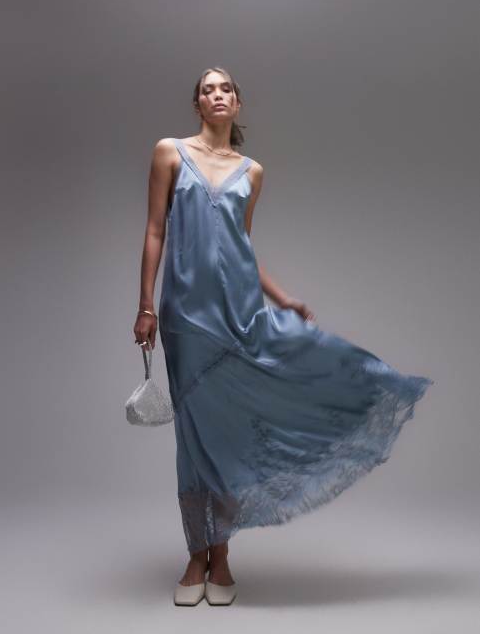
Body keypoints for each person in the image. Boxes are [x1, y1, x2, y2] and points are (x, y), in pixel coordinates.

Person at [133, 66, 434, 606]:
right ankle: (197, 554)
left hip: (240, 315)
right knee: (194, 436)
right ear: (197, 104)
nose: (217, 95)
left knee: (229, 433)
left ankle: (221, 553)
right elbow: (156, 230)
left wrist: (283, 298)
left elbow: (242, 246)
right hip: (186, 319)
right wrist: (146, 305)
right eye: (207, 89)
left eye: (226, 88)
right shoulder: (169, 153)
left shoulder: (252, 172)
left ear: (237, 104)